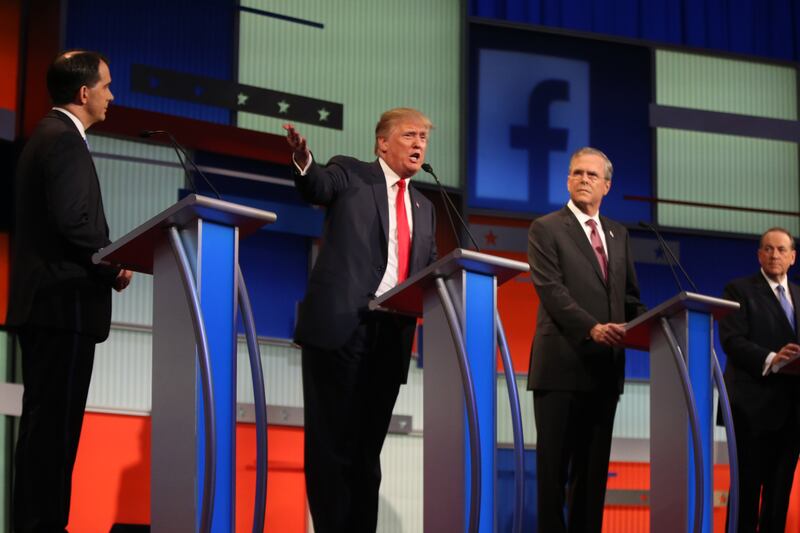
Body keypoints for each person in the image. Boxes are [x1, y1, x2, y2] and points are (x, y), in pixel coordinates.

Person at [283, 107, 438, 533]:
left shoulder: (425, 206)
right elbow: (316, 184)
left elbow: (429, 270)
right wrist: (303, 159)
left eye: (423, 137)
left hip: (390, 336)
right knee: (331, 448)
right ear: (382, 143)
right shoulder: (351, 174)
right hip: (341, 326)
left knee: (367, 455)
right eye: (409, 135)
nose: (419, 144)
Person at [7, 50, 132, 532]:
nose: (111, 95)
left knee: (45, 440)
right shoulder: (63, 140)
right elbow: (74, 223)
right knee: (52, 443)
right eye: (106, 86)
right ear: (84, 93)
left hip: (50, 308)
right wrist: (113, 266)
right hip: (63, 308)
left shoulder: (47, 136)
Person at [526, 147, 646, 532]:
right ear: (567, 180)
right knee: (553, 478)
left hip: (604, 372)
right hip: (561, 367)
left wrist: (654, 324)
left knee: (592, 481)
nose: (583, 180)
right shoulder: (546, 227)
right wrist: (592, 327)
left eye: (592, 175)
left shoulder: (618, 233)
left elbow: (628, 296)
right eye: (576, 173)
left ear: (606, 185)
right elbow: (552, 291)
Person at [719, 227, 800, 533]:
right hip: (751, 411)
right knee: (746, 494)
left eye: (781, 250)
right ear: (758, 255)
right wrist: (771, 358)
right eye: (768, 249)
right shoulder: (739, 290)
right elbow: (732, 340)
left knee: (779, 497)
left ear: (792, 257)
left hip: (793, 414)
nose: (774, 254)